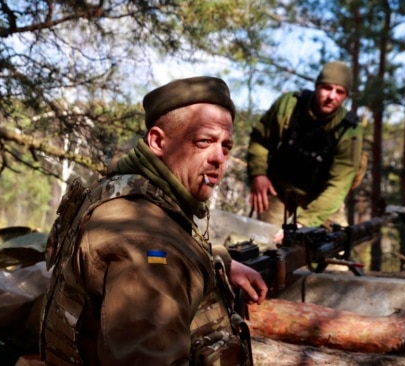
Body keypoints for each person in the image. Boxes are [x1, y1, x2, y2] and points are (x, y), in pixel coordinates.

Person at [41, 76, 268, 365]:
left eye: (226, 146)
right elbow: (153, 253)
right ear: (158, 141)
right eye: (204, 141)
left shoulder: (122, 189)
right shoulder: (145, 245)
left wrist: (221, 261)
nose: (218, 158)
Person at [246, 61, 363, 242]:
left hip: (322, 199)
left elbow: (338, 186)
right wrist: (258, 174)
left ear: (346, 96)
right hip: (280, 190)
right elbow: (260, 140)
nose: (332, 96)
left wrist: (304, 223)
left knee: (337, 253)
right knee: (267, 248)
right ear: (316, 87)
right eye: (327, 88)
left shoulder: (350, 130)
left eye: (339, 92)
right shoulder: (289, 106)